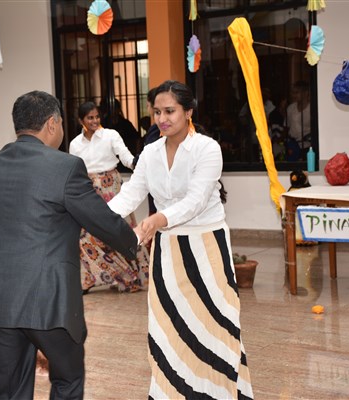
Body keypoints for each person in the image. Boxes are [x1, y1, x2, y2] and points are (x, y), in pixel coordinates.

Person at [0, 90, 139, 400]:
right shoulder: (65, 166)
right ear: (52, 123)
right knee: (67, 380)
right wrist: (135, 240)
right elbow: (100, 219)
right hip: (49, 300)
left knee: (7, 388)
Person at [108, 80, 254, 399]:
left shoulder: (207, 149)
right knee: (169, 326)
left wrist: (156, 219)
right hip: (168, 250)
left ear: (188, 112)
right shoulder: (150, 153)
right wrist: (98, 217)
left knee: (215, 325)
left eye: (170, 111)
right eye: (157, 112)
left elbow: (196, 201)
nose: (162, 118)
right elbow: (130, 194)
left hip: (206, 247)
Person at [69, 101, 149, 294]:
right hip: (88, 191)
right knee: (84, 235)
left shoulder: (111, 135)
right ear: (81, 120)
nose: (95, 121)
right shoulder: (75, 144)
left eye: (97, 116)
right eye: (90, 118)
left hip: (112, 188)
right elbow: (75, 170)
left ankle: (131, 276)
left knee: (118, 232)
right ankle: (91, 279)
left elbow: (126, 158)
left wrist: (140, 164)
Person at [285, 80, 311, 158]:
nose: (294, 95)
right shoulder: (290, 108)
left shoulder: (312, 109)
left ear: (306, 93)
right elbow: (287, 126)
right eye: (293, 93)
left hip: (308, 146)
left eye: (297, 92)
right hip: (292, 146)